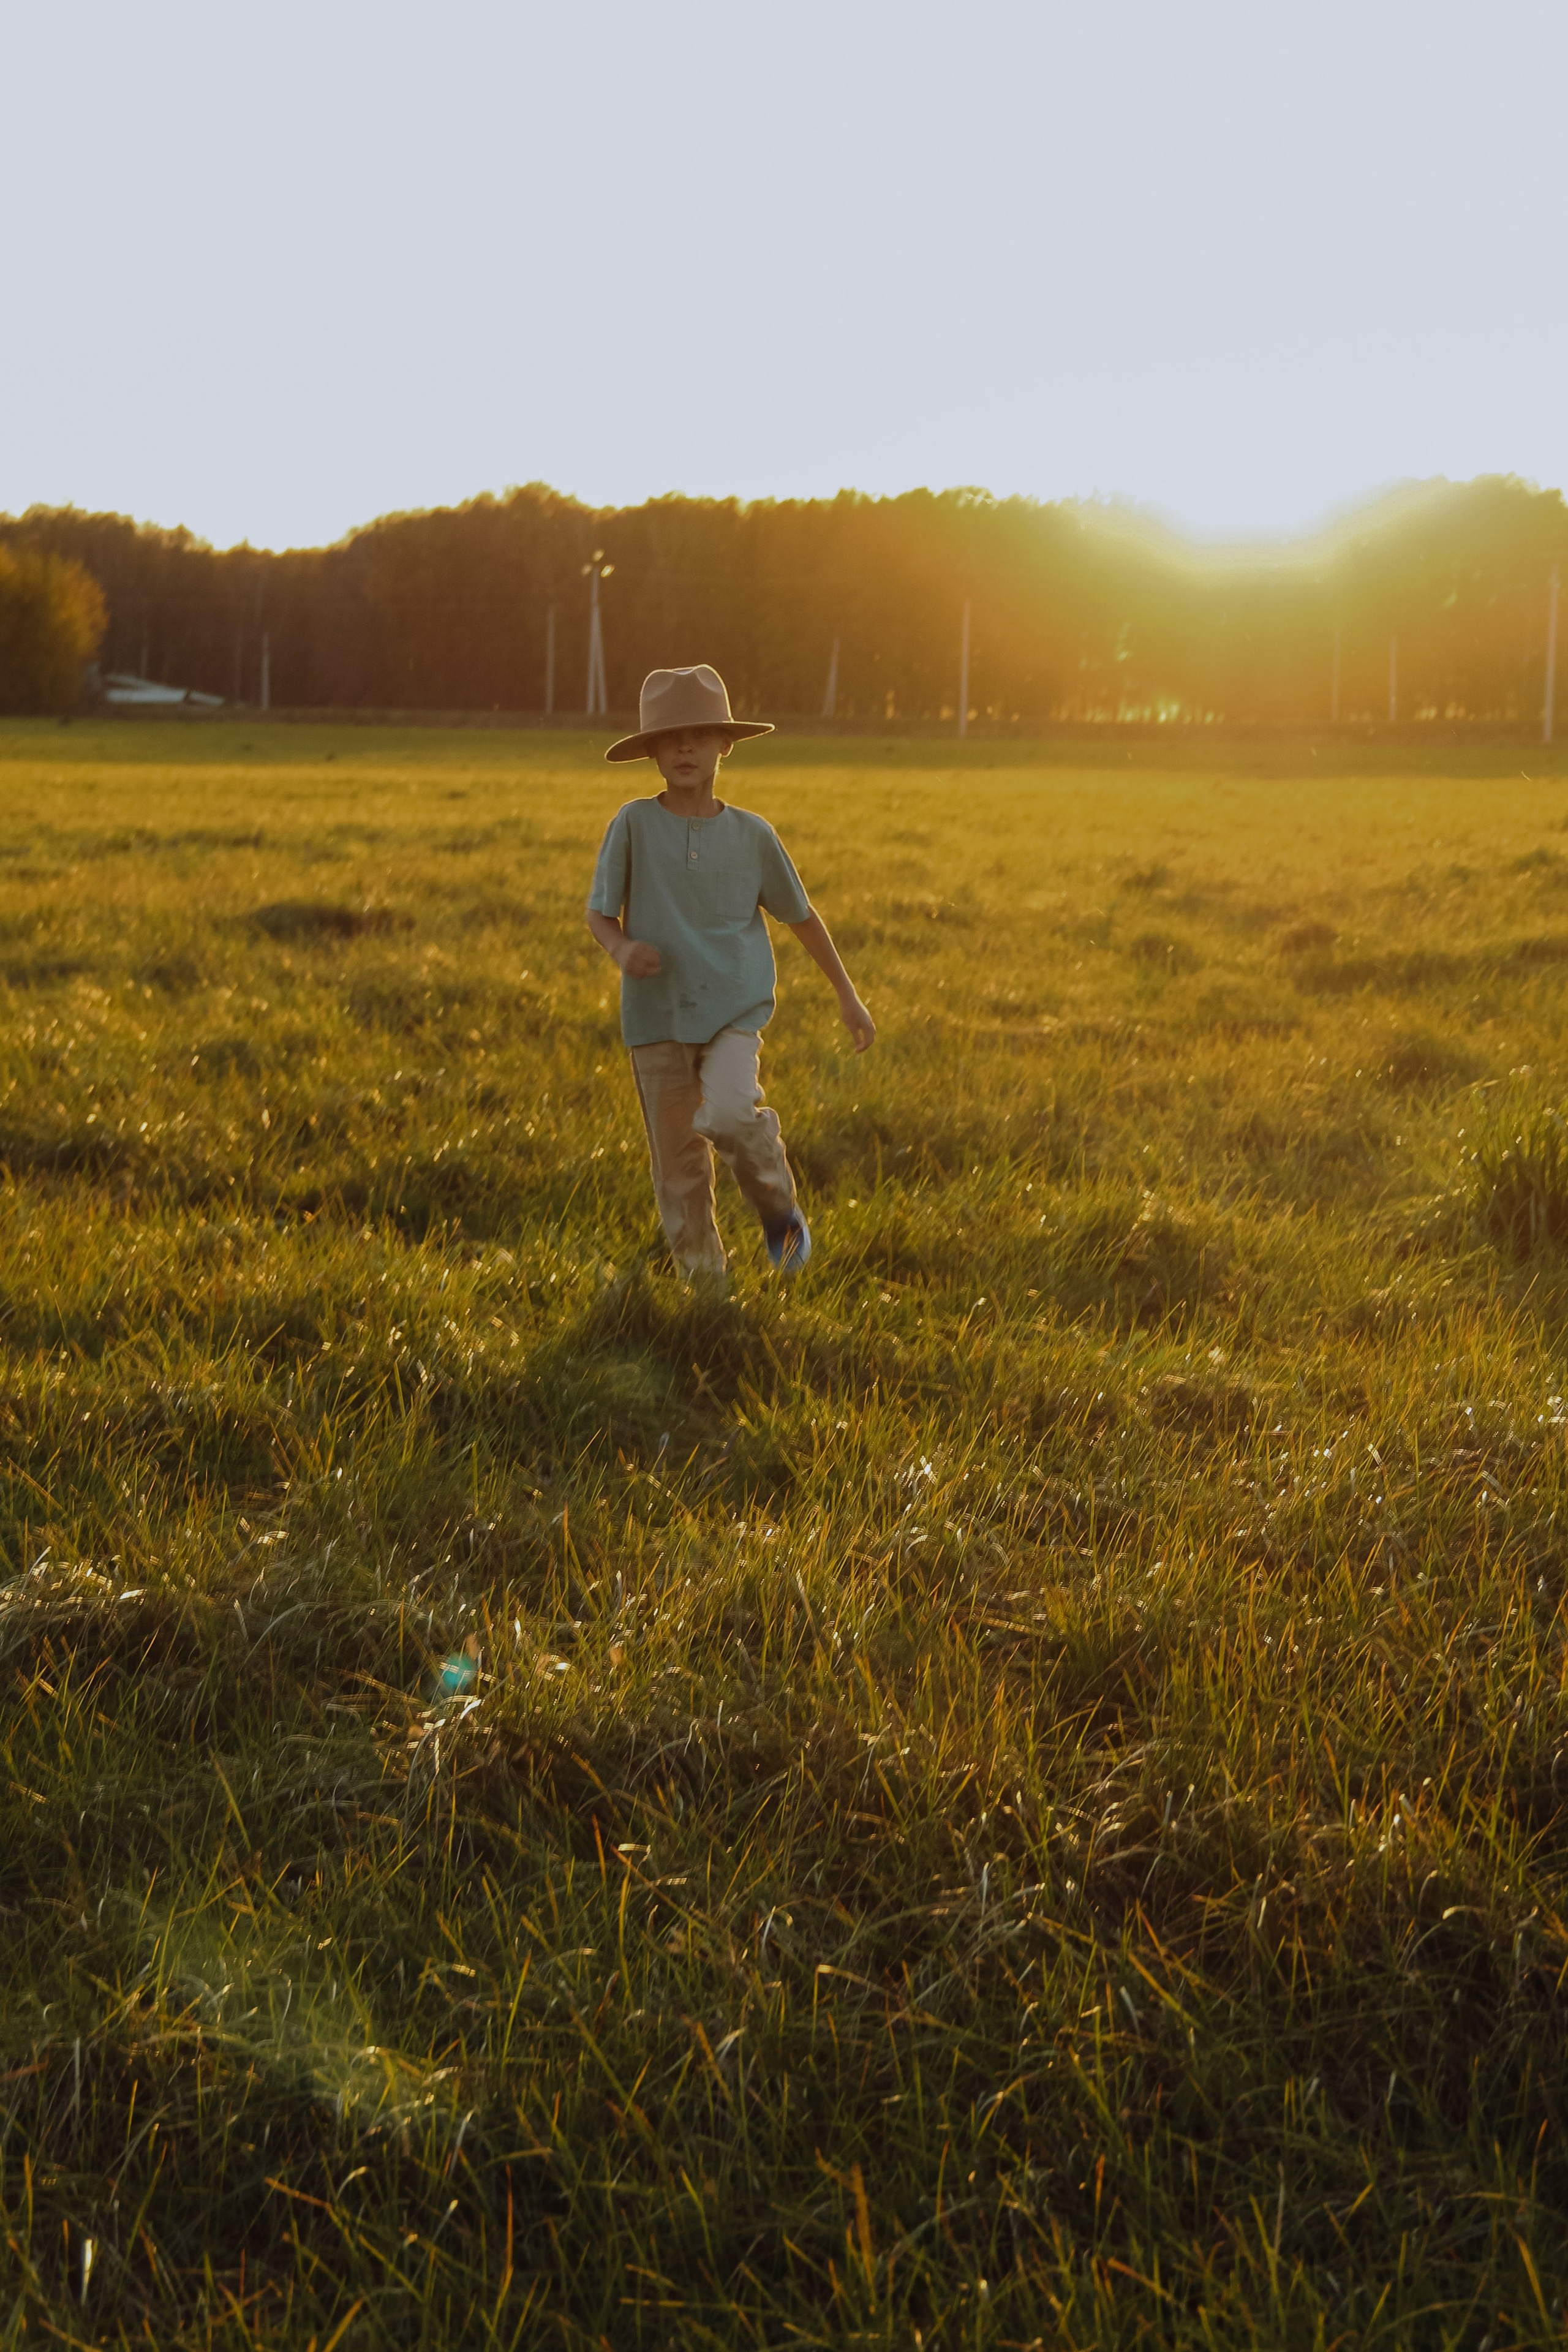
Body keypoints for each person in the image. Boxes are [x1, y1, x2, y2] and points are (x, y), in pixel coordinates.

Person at [586, 663, 875, 1278]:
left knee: (728, 1114)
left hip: (732, 1012)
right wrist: (620, 950)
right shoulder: (632, 825)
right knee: (679, 1168)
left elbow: (801, 918)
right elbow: (599, 916)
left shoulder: (753, 836)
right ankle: (708, 1293)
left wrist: (848, 998)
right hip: (656, 1017)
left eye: (698, 734)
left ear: (725, 743)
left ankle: (778, 1210)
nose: (684, 747)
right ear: (651, 752)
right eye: (669, 737)